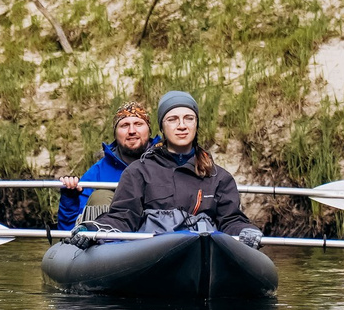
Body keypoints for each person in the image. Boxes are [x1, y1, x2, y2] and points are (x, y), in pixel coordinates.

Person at [95, 92, 262, 243]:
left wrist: (247, 230)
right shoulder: (138, 172)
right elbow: (123, 218)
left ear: (196, 125)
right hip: (151, 256)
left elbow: (230, 220)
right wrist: (93, 231)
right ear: (162, 127)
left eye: (189, 118)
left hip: (203, 252)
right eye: (172, 119)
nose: (182, 125)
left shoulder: (219, 177)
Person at [56, 101, 154, 231]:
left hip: (156, 238)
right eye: (124, 125)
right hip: (107, 243)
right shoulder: (97, 172)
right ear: (115, 134)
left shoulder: (165, 162)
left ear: (149, 130)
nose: (132, 131)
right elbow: (68, 229)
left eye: (138, 124)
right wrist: (70, 198)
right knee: (100, 196)